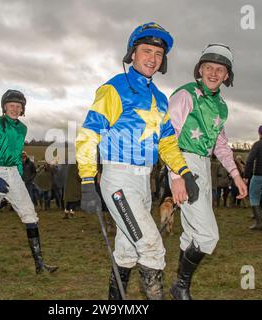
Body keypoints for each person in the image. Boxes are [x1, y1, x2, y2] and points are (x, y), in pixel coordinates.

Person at [76, 22, 199, 300]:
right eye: (146, 51)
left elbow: (167, 142)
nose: (152, 58)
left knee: (128, 250)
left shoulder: (160, 98)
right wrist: (86, 180)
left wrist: (184, 172)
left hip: (144, 183)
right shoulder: (114, 89)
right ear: (132, 53)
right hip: (118, 180)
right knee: (152, 247)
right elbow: (88, 135)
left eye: (158, 53)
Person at [167, 43, 248, 300]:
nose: (213, 73)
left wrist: (236, 175)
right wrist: (176, 176)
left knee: (192, 232)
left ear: (227, 76)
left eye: (220, 69)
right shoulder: (185, 94)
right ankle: (180, 286)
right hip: (183, 163)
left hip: (203, 164)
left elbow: (221, 146)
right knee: (208, 235)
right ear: (200, 69)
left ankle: (181, 288)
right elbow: (169, 136)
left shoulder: (221, 106)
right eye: (209, 67)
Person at [0, 89, 58, 276]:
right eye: (11, 105)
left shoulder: (22, 128)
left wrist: (19, 176)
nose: (15, 109)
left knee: (31, 217)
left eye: (18, 106)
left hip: (13, 174)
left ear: (23, 109)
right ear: (4, 107)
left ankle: (39, 264)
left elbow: (18, 156)